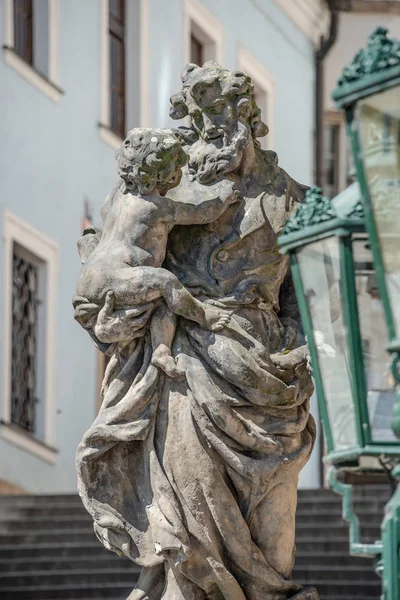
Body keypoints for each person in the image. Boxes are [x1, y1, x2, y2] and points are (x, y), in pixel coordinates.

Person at [75, 63, 318, 600]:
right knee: (188, 530)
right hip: (186, 367)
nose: (210, 132)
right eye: (199, 121)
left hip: (269, 383)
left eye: (222, 117)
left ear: (248, 120)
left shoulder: (294, 201)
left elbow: (309, 299)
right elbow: (114, 280)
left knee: (274, 541)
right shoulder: (163, 185)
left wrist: (300, 350)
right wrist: (114, 307)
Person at [73, 127, 237, 378]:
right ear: (164, 175)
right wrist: (224, 199)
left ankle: (161, 351)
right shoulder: (154, 206)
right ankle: (205, 316)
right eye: (176, 170)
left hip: (88, 278)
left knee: (164, 300)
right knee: (165, 281)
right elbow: (201, 213)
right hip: (115, 276)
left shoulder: (115, 199)